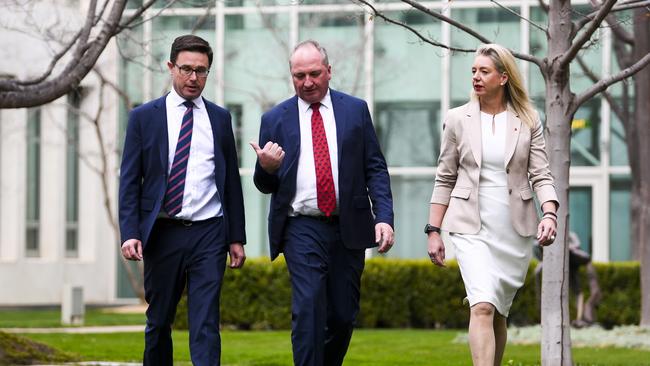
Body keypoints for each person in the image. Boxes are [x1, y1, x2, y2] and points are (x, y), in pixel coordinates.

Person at [250, 39, 394, 366]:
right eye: (299, 76)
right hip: (301, 226)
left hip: (350, 226)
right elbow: (263, 184)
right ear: (291, 77)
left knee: (343, 316)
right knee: (309, 307)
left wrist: (383, 216)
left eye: (314, 73)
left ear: (329, 71)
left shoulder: (354, 110)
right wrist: (266, 168)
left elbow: (374, 166)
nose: (308, 82)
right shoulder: (275, 118)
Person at [426, 43, 559, 366]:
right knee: (482, 305)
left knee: (498, 309)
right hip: (470, 226)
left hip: (512, 229)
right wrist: (433, 230)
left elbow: (540, 173)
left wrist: (550, 213)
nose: (476, 77)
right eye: (473, 71)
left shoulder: (528, 119)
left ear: (503, 77)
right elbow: (445, 176)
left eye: (484, 71)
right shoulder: (457, 119)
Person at [118, 34, 246, 366]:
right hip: (163, 232)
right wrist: (130, 231)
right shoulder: (144, 117)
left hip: (209, 232)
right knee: (159, 320)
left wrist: (236, 237)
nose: (193, 78)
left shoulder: (220, 119)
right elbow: (130, 180)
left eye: (201, 71)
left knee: (205, 322)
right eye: (186, 69)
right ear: (171, 67)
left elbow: (230, 180)